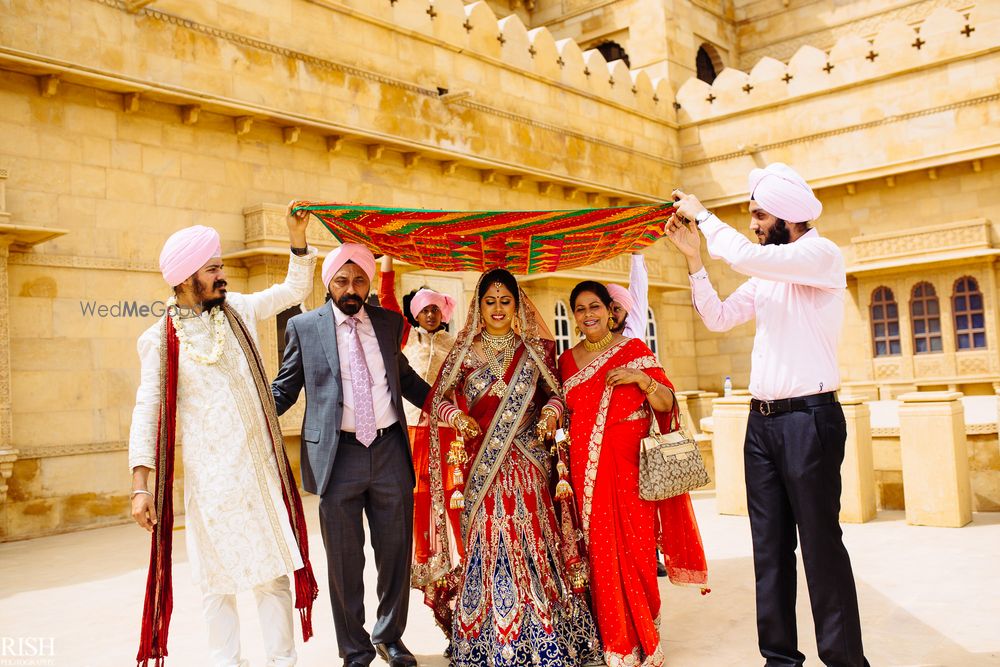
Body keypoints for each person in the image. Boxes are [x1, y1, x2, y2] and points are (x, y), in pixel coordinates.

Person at [666, 162, 869, 667]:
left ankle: (845, 661)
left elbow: (742, 255)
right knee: (770, 551)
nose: (753, 223)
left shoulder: (819, 255)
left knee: (821, 547)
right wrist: (695, 260)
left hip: (810, 422)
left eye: (758, 214)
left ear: (786, 215)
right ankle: (779, 660)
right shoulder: (770, 272)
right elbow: (717, 317)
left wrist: (704, 216)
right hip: (763, 424)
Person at [128, 210, 319, 667]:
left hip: (258, 475)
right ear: (185, 278)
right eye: (212, 269)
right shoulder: (159, 339)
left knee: (273, 576)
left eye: (220, 266)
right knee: (217, 586)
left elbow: (293, 290)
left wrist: (297, 239)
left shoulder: (242, 313)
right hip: (211, 488)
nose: (222, 275)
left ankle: (282, 663)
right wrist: (141, 485)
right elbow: (148, 410)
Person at [413, 268, 601, 667]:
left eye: (505, 301)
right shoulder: (463, 351)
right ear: (478, 306)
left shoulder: (534, 350)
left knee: (533, 536)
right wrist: (456, 417)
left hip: (530, 462)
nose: (498, 309)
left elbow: (556, 396)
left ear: (516, 306)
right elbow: (436, 401)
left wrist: (550, 415)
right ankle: (487, 635)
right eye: (490, 301)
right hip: (482, 467)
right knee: (488, 536)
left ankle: (546, 629)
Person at [271, 243, 431, 667]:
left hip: (389, 450)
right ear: (329, 283)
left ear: (369, 281)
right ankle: (355, 649)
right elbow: (284, 389)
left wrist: (450, 400)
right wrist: (249, 410)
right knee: (344, 560)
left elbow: (405, 379)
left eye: (359, 279)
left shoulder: (388, 323)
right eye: (342, 280)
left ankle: (390, 636)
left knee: (396, 552)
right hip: (337, 458)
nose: (351, 288)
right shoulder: (304, 327)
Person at [558, 280, 708, 667]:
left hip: (631, 469)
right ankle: (614, 643)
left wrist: (642, 379)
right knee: (599, 554)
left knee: (638, 553)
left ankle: (644, 635)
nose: (588, 315)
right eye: (580, 309)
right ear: (574, 316)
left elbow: (668, 404)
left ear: (611, 311)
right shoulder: (566, 361)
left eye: (595, 307)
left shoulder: (634, 351)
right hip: (586, 470)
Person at [376, 257, 464, 558]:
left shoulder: (455, 344)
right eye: (424, 309)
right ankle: (424, 556)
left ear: (442, 313)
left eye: (435, 308)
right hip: (413, 428)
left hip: (447, 430)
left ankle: (465, 555)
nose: (430, 314)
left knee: (455, 492)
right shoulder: (404, 338)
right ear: (415, 313)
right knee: (418, 493)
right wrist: (386, 264)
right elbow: (386, 300)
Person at [607, 252, 649, 340]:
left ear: (627, 312)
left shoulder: (634, 331)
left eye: (617, 309)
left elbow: (638, 286)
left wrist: (637, 252)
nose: (611, 315)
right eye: (607, 310)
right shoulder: (598, 341)